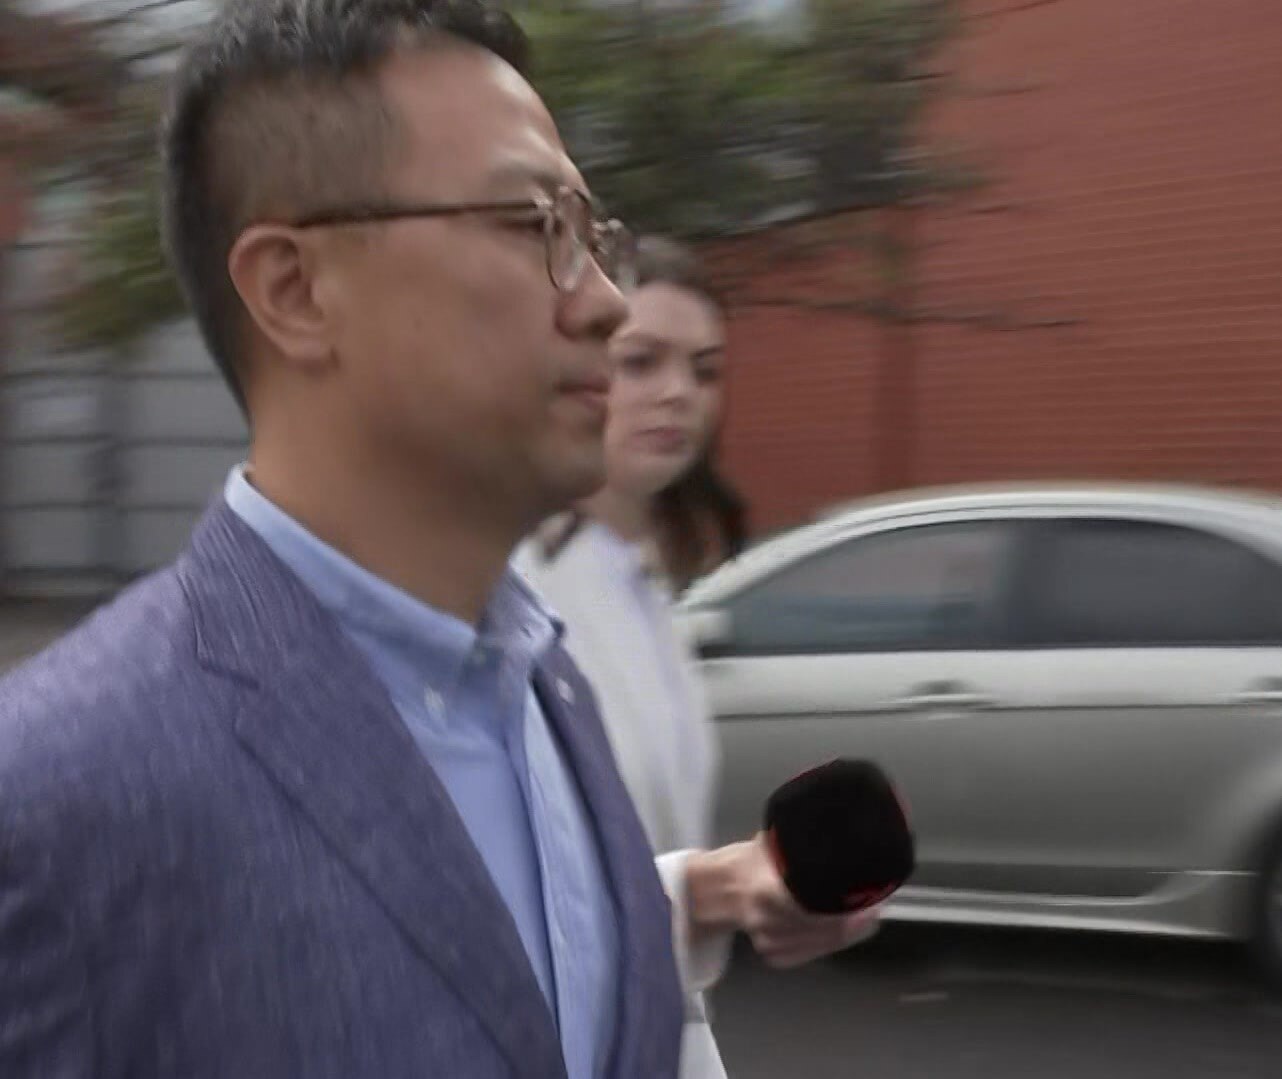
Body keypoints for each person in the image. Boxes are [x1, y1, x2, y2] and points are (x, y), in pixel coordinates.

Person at [0, 4, 867, 1076]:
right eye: (532, 224)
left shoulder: (550, 684)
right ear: (295, 290)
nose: (607, 302)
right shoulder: (57, 788)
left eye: (592, 236)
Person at [518, 237, 878, 1079]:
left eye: (704, 369)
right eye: (641, 360)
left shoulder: (647, 590)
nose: (678, 391)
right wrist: (708, 889)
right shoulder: (510, 592)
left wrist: (742, 888)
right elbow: (503, 891)